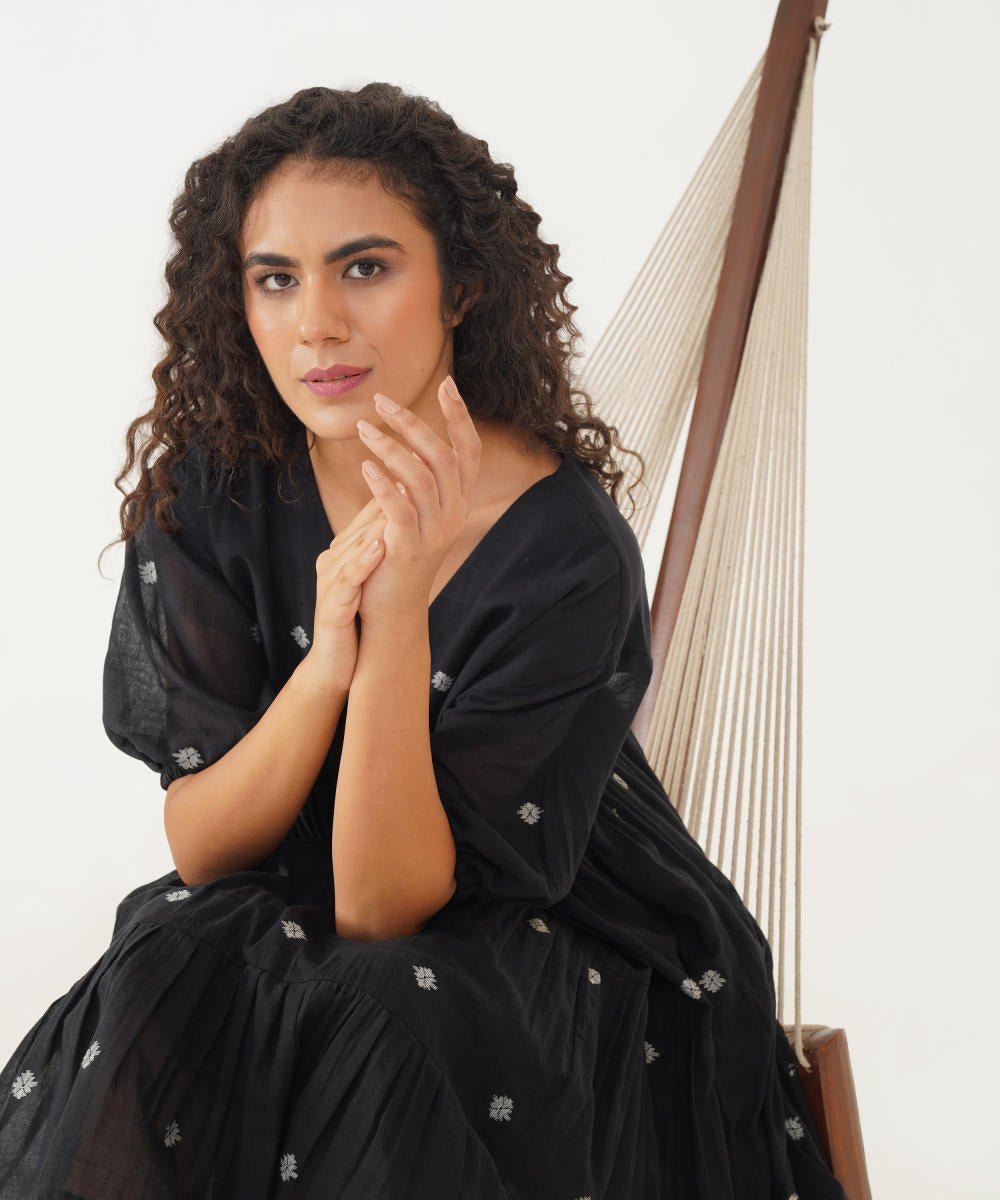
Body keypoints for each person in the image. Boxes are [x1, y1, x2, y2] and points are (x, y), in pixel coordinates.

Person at [0, 83, 846, 1200]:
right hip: (296, 888)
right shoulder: (217, 493)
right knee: (168, 958)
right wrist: (326, 665)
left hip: (547, 925)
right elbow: (205, 847)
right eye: (275, 279)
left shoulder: (564, 548)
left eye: (364, 267)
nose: (317, 325)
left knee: (380, 1007)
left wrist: (396, 616)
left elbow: (382, 907)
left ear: (463, 285)